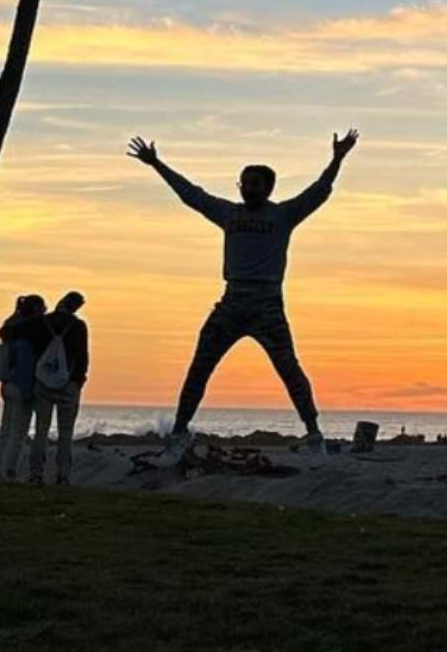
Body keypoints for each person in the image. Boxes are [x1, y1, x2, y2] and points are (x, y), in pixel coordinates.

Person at [130, 130, 359, 463]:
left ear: (268, 188)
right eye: (244, 183)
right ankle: (179, 435)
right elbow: (191, 194)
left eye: (254, 184)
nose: (248, 188)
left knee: (289, 369)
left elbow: (319, 192)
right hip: (231, 301)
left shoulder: (283, 215)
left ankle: (313, 435)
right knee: (200, 368)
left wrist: (337, 159)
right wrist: (156, 164)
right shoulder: (229, 214)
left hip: (267, 303)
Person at [28, 290, 90, 486]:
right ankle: (62, 475)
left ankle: (35, 473)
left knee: (41, 430)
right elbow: (82, 356)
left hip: (43, 381)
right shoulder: (78, 326)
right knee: (65, 433)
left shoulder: (42, 323)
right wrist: (79, 381)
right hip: (68, 383)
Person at [0, 295, 50, 482]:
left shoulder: (10, 331)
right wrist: (27, 390)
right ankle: (10, 470)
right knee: (19, 431)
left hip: (6, 384)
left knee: (6, 428)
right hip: (20, 384)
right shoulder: (26, 337)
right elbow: (25, 366)